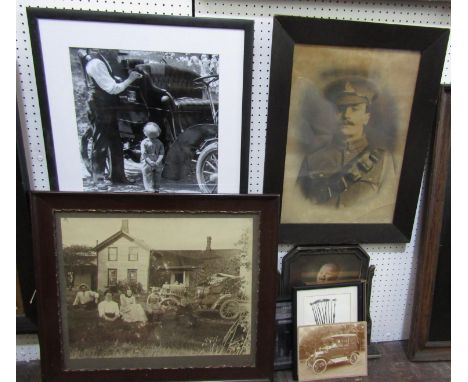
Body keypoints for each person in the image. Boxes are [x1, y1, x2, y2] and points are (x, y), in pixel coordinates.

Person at [297, 77, 395, 208]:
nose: (346, 115)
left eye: (354, 109)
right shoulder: (312, 160)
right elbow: (298, 207)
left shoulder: (383, 160)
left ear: (366, 117)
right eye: (341, 108)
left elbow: (387, 209)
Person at [77, 49, 142, 188]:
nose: (116, 52)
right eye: (112, 50)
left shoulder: (103, 60)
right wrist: (130, 79)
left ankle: (118, 176)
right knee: (100, 142)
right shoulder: (96, 63)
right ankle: (98, 180)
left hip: (108, 106)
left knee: (115, 141)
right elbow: (113, 88)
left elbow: (111, 81)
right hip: (99, 107)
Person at [140, 122, 164, 192]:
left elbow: (144, 153)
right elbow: (161, 154)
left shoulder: (145, 142)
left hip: (150, 161)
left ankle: (152, 187)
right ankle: (153, 187)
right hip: (152, 161)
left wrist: (153, 161)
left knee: (152, 174)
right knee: (153, 174)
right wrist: (155, 161)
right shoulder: (159, 142)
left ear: (145, 132)